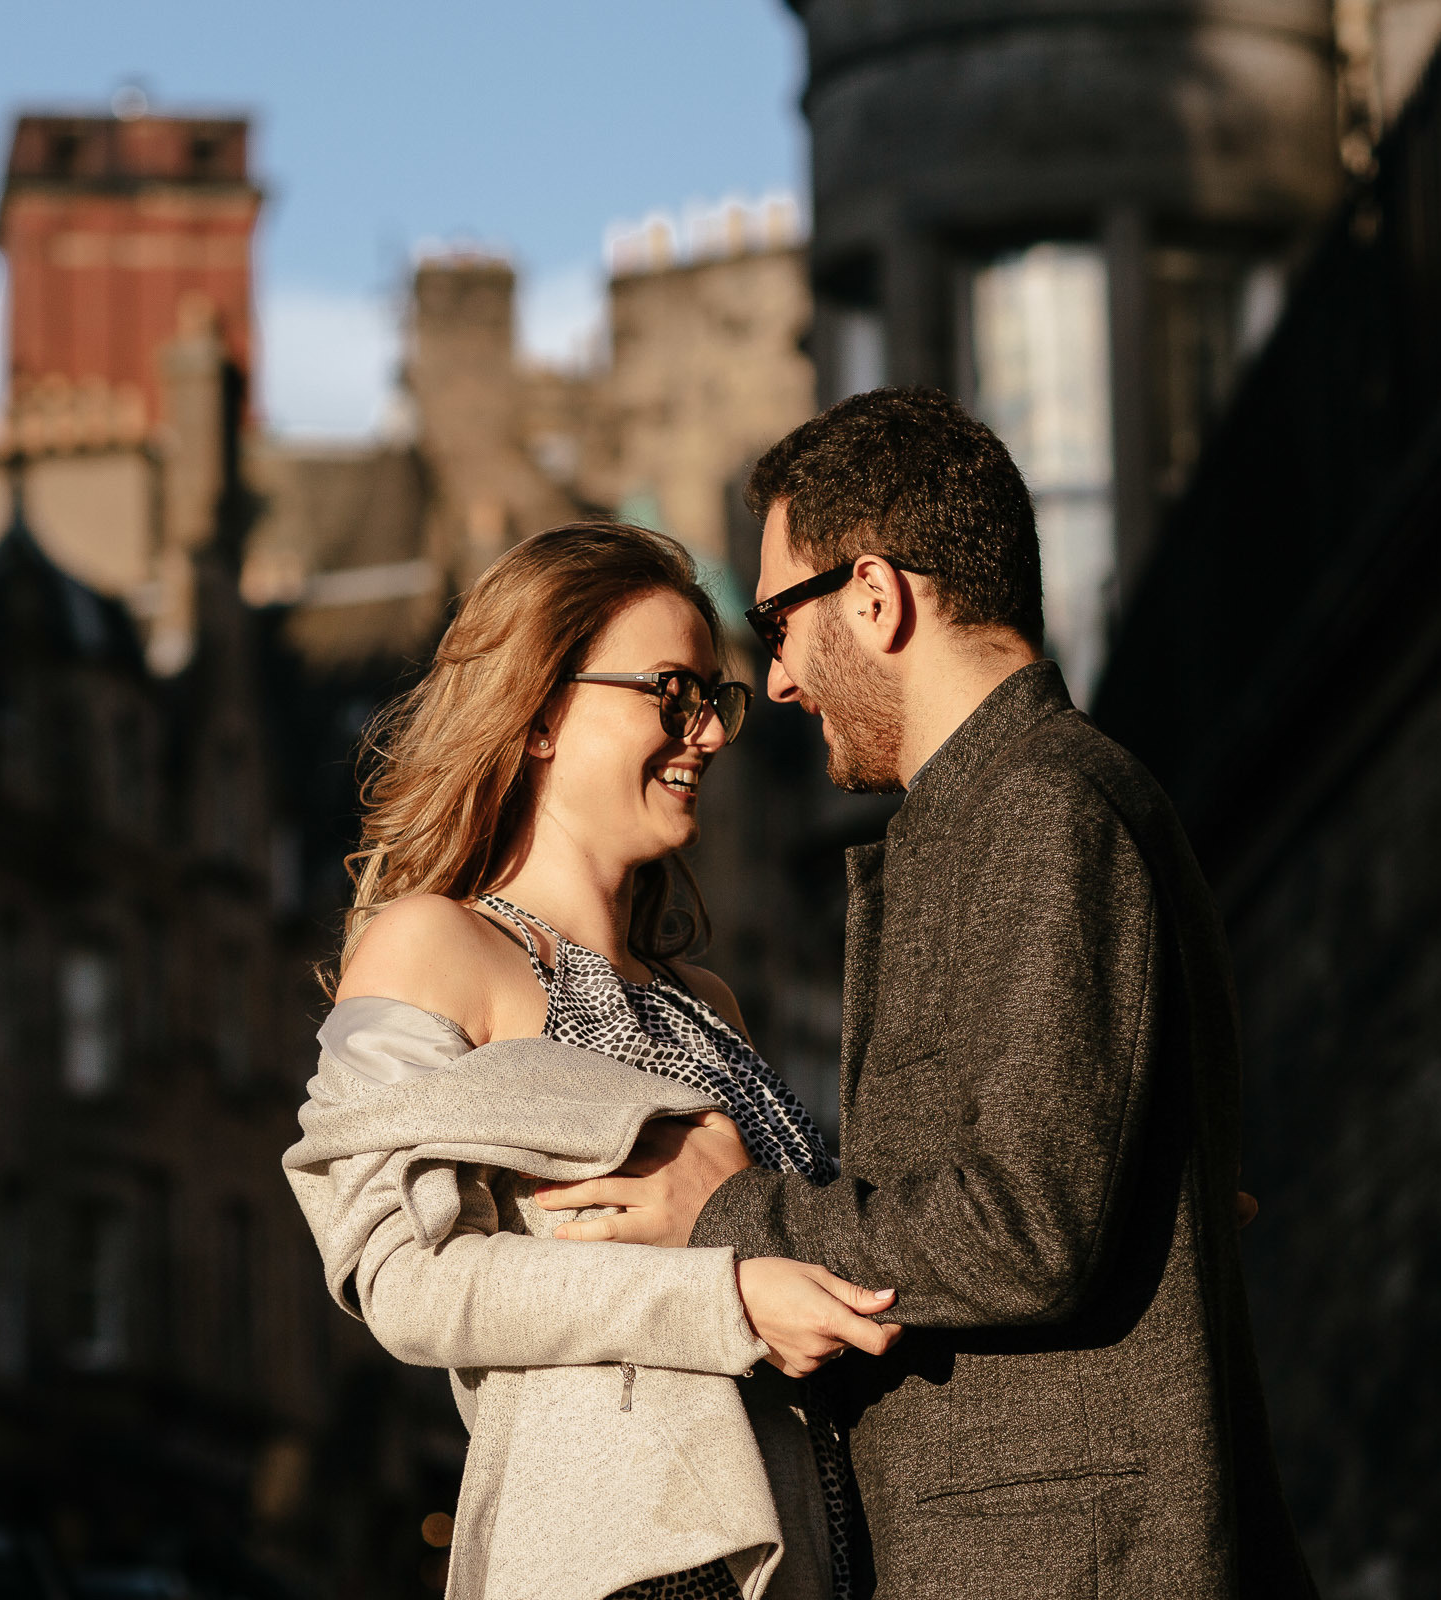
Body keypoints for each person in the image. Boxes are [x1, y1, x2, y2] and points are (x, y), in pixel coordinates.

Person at [535, 390, 1318, 1598]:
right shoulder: (1004, 814)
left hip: (1060, 1561)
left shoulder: (1042, 809)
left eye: (776, 624)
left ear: (874, 596)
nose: (776, 682)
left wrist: (734, 1211)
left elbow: (1023, 1225)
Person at [282, 522, 896, 1600]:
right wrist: (725, 1299)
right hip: (620, 1555)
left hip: (806, 1545)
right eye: (672, 693)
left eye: (715, 697)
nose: (710, 731)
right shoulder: (433, 945)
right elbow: (406, 1281)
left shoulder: (707, 1003)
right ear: (537, 716)